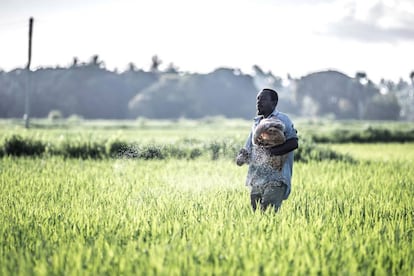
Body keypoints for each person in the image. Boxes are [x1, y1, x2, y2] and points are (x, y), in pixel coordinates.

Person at [236, 88, 298, 212]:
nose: (258, 102)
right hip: (257, 177)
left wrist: (269, 153)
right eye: (257, 99)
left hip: (277, 178)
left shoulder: (282, 119)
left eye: (263, 99)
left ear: (274, 103)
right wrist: (242, 156)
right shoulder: (256, 122)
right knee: (257, 214)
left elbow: (293, 143)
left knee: (269, 214)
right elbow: (249, 146)